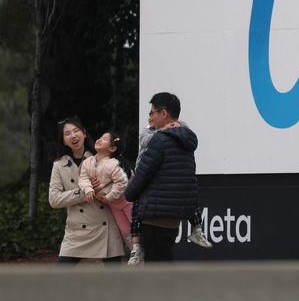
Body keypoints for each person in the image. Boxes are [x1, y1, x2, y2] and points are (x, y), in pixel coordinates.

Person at [125, 92, 200, 261]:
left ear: (164, 113)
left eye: (152, 112)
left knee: (157, 269)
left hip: (155, 215)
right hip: (173, 217)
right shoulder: (186, 142)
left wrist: (129, 194)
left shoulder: (159, 140)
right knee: (165, 259)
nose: (150, 117)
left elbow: (143, 173)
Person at [48, 117, 125, 264]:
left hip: (105, 226)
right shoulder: (58, 165)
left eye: (76, 131)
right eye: (68, 133)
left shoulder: (102, 157)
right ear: (64, 140)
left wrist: (101, 189)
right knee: (60, 277)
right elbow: (54, 199)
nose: (73, 135)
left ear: (84, 133)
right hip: (75, 230)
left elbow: (118, 185)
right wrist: (83, 193)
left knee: (114, 279)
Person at [78, 131, 133, 248]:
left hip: (126, 202)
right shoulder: (87, 162)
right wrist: (88, 189)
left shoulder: (114, 164)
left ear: (112, 148)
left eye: (104, 139)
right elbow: (83, 178)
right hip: (114, 206)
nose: (99, 139)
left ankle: (149, 256)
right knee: (125, 231)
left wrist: (109, 197)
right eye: (100, 137)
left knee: (138, 227)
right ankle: (137, 256)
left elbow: (122, 182)